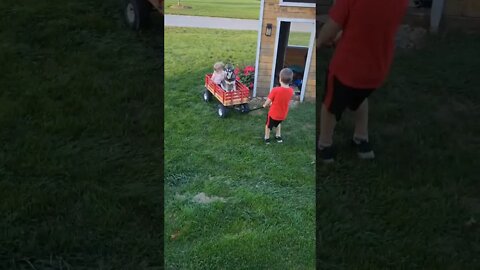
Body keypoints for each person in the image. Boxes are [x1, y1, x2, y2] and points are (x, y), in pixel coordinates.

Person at [317, 0, 409, 163]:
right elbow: (368, 25)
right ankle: (361, 139)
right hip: (376, 70)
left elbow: (331, 29)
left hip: (346, 70)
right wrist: (341, 36)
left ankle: (325, 146)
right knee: (359, 97)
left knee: (331, 106)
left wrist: (317, 43)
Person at [263, 68, 294, 144]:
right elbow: (281, 100)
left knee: (268, 126)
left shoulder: (275, 90)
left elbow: (269, 100)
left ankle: (267, 138)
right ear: (290, 80)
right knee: (278, 123)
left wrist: (265, 105)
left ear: (280, 79)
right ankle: (278, 136)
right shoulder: (291, 91)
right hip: (282, 115)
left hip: (273, 114)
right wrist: (272, 103)